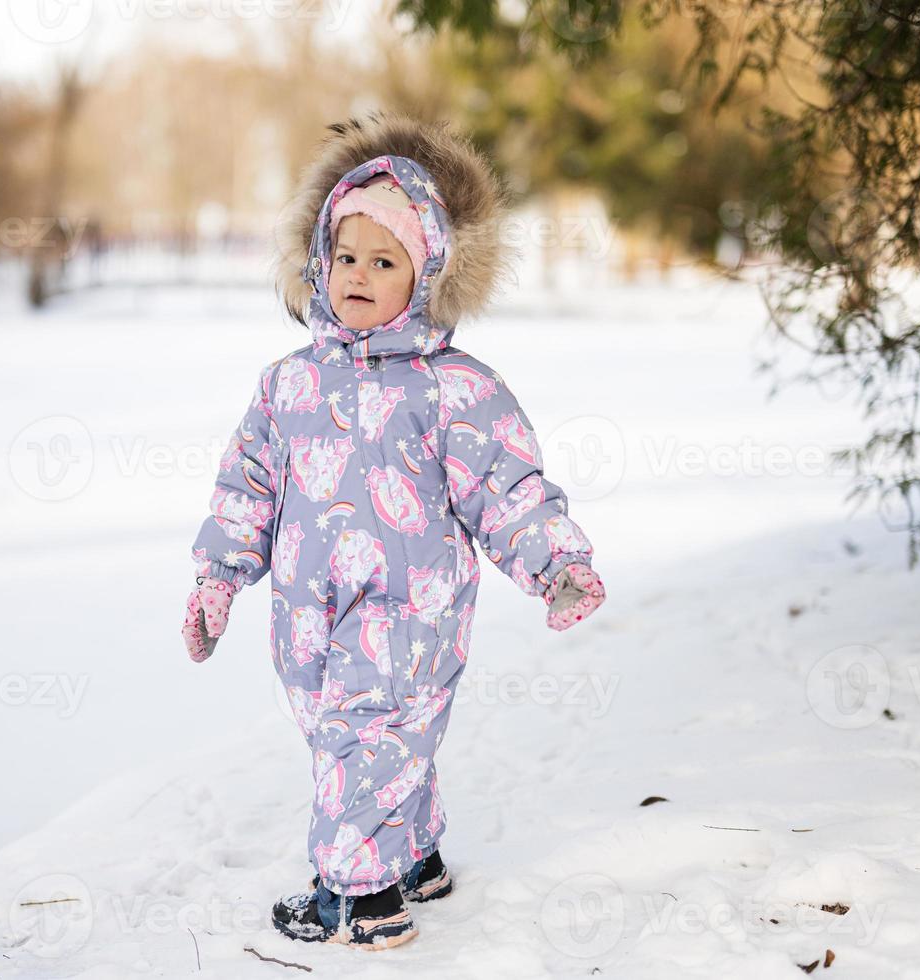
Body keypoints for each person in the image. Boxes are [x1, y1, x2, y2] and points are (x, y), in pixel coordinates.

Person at [181, 112, 607, 950]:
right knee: (358, 734)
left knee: (362, 736)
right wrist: (218, 578)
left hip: (410, 613)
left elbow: (508, 489)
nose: (359, 275)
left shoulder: (455, 389)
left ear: (427, 275)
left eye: (385, 260)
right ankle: (413, 855)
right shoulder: (288, 387)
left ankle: (361, 898)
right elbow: (248, 487)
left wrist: (556, 562)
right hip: (307, 616)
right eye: (346, 257)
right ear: (319, 262)